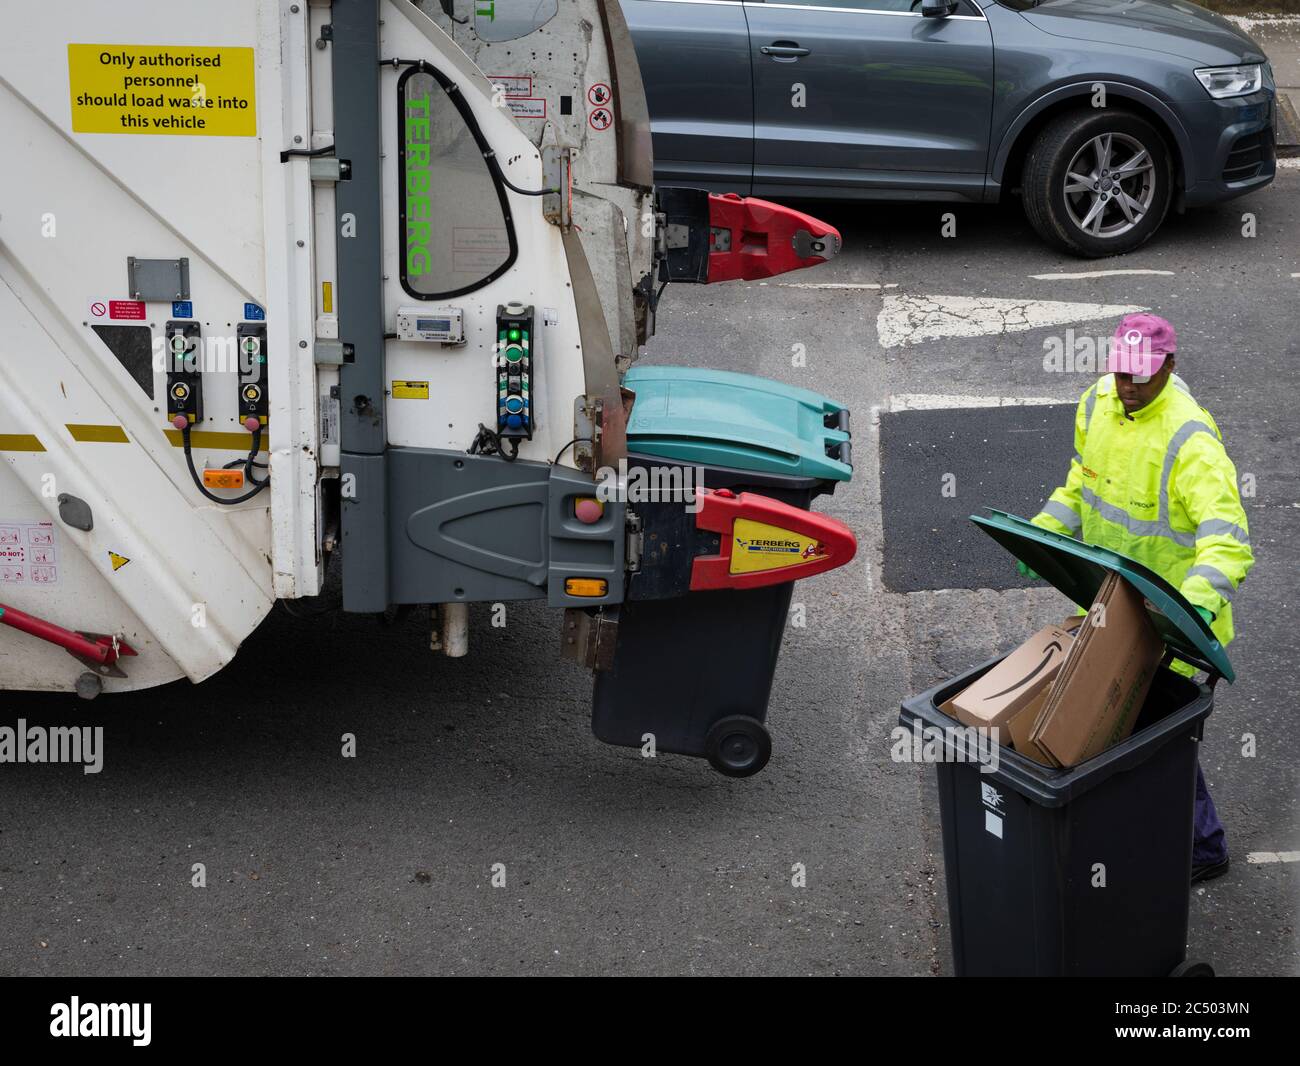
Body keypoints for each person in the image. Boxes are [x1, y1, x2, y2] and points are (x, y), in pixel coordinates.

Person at [1026, 313, 1253, 884]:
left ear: (1171, 367)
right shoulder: (1095, 404)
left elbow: (1227, 542)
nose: (1127, 386)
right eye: (1121, 372)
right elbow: (1083, 481)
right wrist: (1041, 535)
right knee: (1132, 731)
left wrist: (1190, 610)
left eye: (1141, 376)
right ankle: (1163, 837)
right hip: (1114, 609)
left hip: (1172, 629)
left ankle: (1202, 848)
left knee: (1157, 740)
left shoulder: (1190, 441)